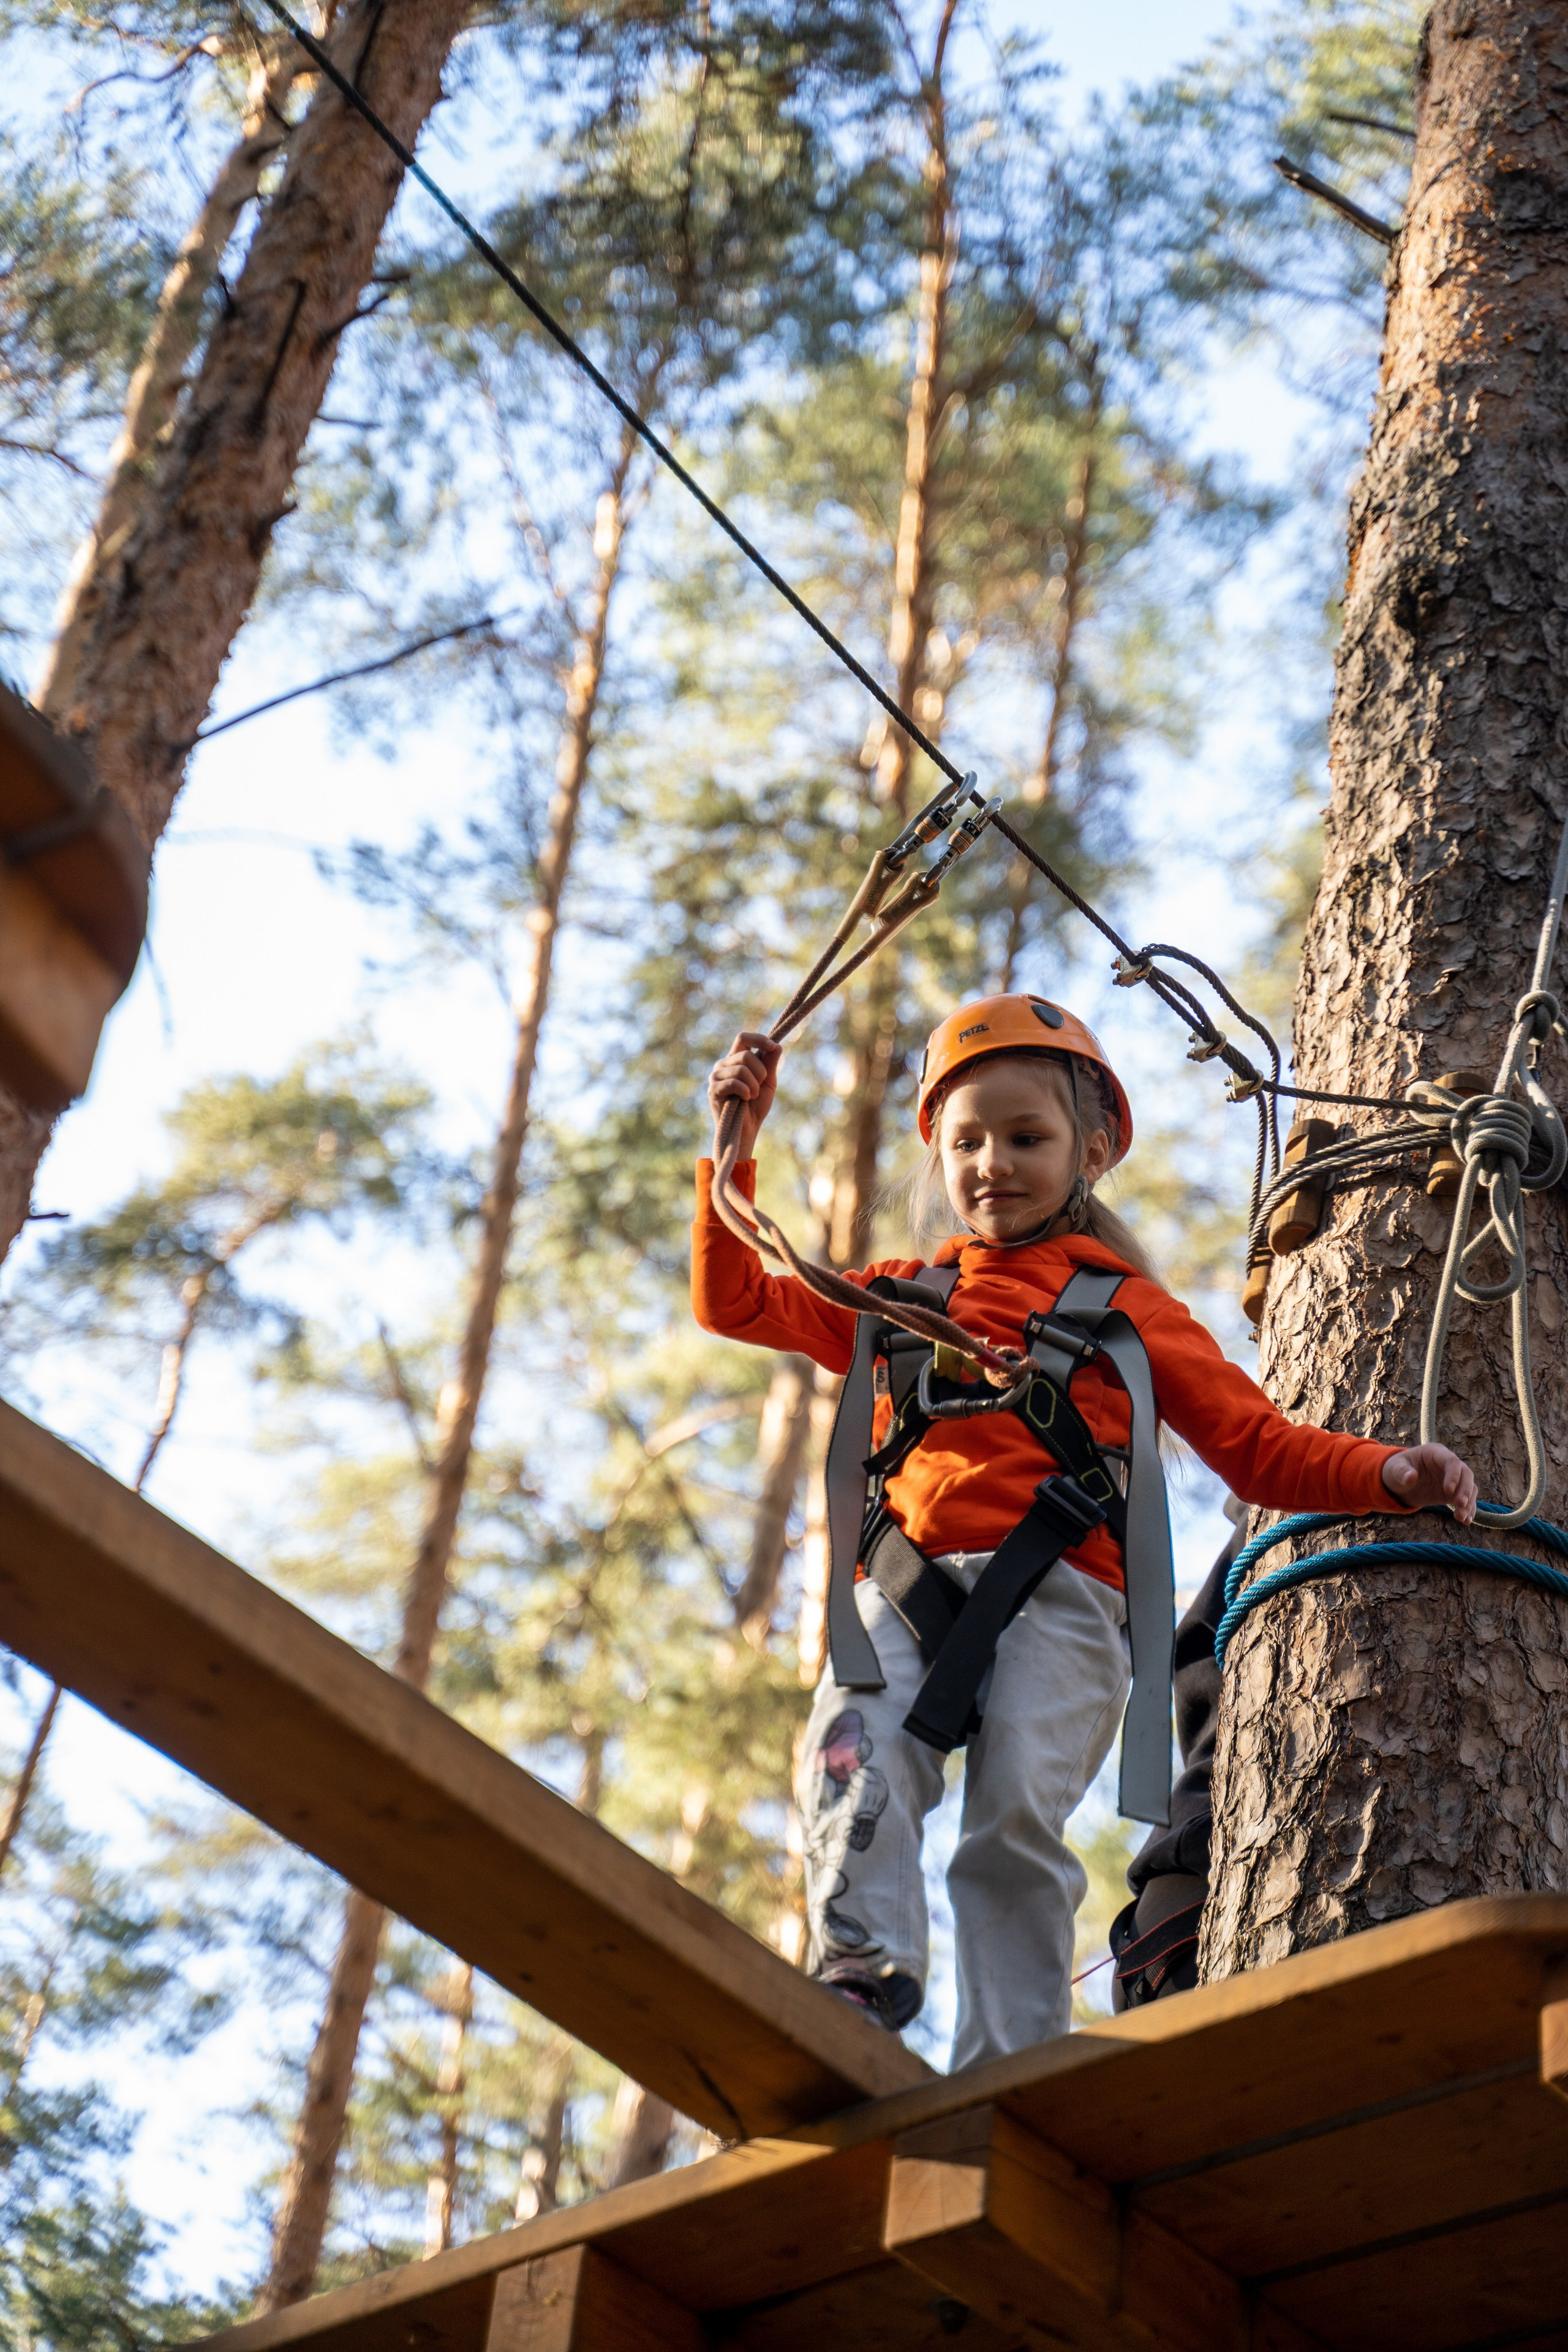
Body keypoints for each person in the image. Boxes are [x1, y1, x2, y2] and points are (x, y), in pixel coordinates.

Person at [692, 992, 1477, 2067]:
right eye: (967, 1141)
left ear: (1090, 1150)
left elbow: (1258, 1448)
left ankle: (1005, 2065)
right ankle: (858, 1981)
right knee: (855, 1760)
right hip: (903, 1583)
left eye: (1027, 1138)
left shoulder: (1127, 1313)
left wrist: (1391, 1473)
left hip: (1062, 1596)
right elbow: (737, 1301)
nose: (992, 1164)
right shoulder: (900, 1296)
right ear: (939, 1153)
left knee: (1011, 1822)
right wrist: (730, 1148)